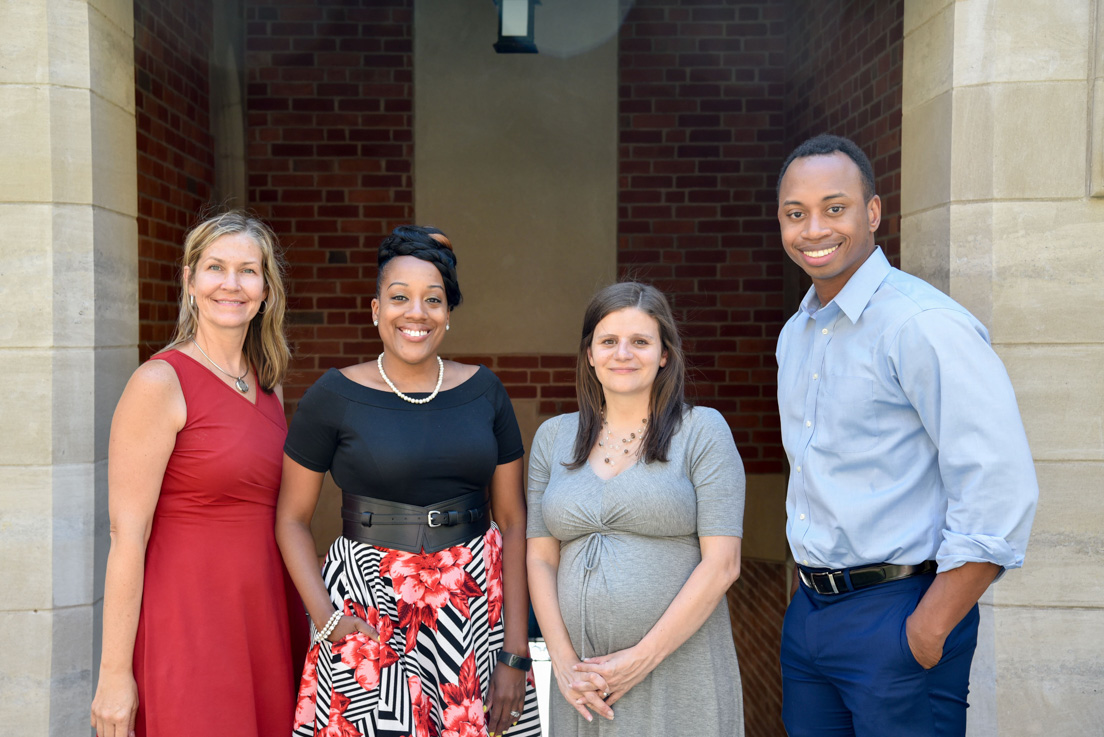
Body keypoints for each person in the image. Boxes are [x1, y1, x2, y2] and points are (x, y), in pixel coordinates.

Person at [774, 134, 1039, 736]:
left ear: (872, 212)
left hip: (900, 615)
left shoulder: (923, 325)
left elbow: (1000, 489)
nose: (813, 228)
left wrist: (928, 628)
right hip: (812, 615)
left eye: (834, 208)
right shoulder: (798, 334)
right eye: (796, 214)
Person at [276, 225, 541, 737]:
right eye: (399, 298)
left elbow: (512, 521)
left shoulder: (485, 392)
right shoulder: (332, 395)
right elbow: (290, 519)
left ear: (447, 314)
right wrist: (326, 618)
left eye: (433, 300)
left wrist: (514, 649)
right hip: (365, 611)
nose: (416, 313)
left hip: (474, 610)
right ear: (377, 310)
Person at [90, 211, 306, 737]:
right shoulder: (160, 382)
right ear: (189, 281)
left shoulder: (269, 385)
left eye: (248, 271)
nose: (231, 284)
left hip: (265, 614)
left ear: (266, 289)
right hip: (189, 621)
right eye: (215, 267)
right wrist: (114, 675)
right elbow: (127, 537)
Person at [527, 282, 745, 736]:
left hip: (678, 667)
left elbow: (723, 564)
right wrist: (564, 665)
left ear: (664, 353)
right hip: (583, 685)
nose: (623, 353)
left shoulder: (703, 430)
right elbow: (541, 557)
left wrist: (639, 660)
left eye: (640, 342)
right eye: (608, 341)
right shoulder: (553, 438)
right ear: (589, 353)